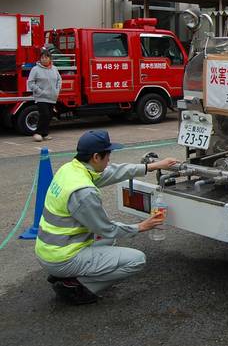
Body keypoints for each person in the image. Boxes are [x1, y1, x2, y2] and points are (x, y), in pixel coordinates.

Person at [35, 130, 179, 305]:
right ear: (96, 157)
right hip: (62, 257)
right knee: (136, 260)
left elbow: (113, 172)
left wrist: (152, 166)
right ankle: (76, 286)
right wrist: (141, 226)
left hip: (51, 249)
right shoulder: (83, 192)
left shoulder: (70, 169)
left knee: (108, 242)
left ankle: (65, 273)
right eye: (108, 155)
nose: (109, 160)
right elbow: (106, 229)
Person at [27, 49, 61, 142]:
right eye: (42, 58)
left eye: (46, 57)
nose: (44, 59)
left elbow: (59, 80)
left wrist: (57, 91)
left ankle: (45, 133)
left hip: (52, 97)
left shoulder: (54, 68)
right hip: (41, 97)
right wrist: (39, 91)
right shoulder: (35, 69)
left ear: (50, 59)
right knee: (44, 114)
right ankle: (37, 133)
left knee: (49, 115)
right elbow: (30, 82)